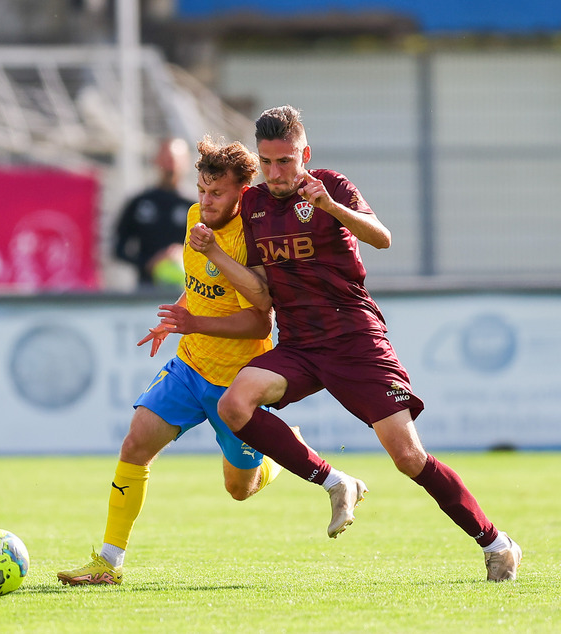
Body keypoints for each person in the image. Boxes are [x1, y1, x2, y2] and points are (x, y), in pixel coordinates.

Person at [189, 105, 523, 582]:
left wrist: (330, 207)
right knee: (234, 404)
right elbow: (261, 292)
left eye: (285, 160)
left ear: (305, 153)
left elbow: (382, 239)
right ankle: (334, 481)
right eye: (267, 161)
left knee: (408, 458)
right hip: (300, 342)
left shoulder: (331, 187)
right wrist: (216, 254)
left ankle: (497, 543)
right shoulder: (255, 206)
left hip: (354, 339)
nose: (276, 172)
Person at [58, 136, 294, 586]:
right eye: (202, 190)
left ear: (241, 192)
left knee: (239, 490)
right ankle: (109, 562)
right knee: (136, 444)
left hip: (236, 384)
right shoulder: (192, 218)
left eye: (216, 193)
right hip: (189, 367)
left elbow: (261, 324)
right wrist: (178, 317)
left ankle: (271, 461)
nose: (205, 201)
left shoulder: (252, 237)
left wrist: (193, 321)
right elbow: (200, 284)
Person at [113, 137, 196, 288]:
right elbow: (118, 249)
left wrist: (182, 255)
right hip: (146, 288)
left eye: (175, 159)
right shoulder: (139, 202)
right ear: (156, 160)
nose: (171, 165)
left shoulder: (195, 206)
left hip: (188, 290)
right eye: (166, 159)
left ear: (186, 162)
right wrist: (148, 262)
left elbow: (213, 250)